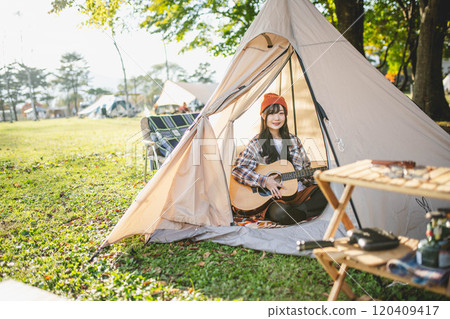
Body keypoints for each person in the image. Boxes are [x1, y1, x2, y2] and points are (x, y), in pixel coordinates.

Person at [231, 93, 328, 225]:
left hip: (298, 194)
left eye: (281, 113)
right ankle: (298, 213)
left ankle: (297, 213)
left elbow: (306, 171)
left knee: (331, 191)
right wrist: (264, 181)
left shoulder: (293, 140)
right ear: (263, 116)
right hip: (275, 200)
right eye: (272, 113)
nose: (277, 118)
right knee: (280, 212)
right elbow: (238, 170)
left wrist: (321, 175)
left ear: (285, 116)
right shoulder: (257, 142)